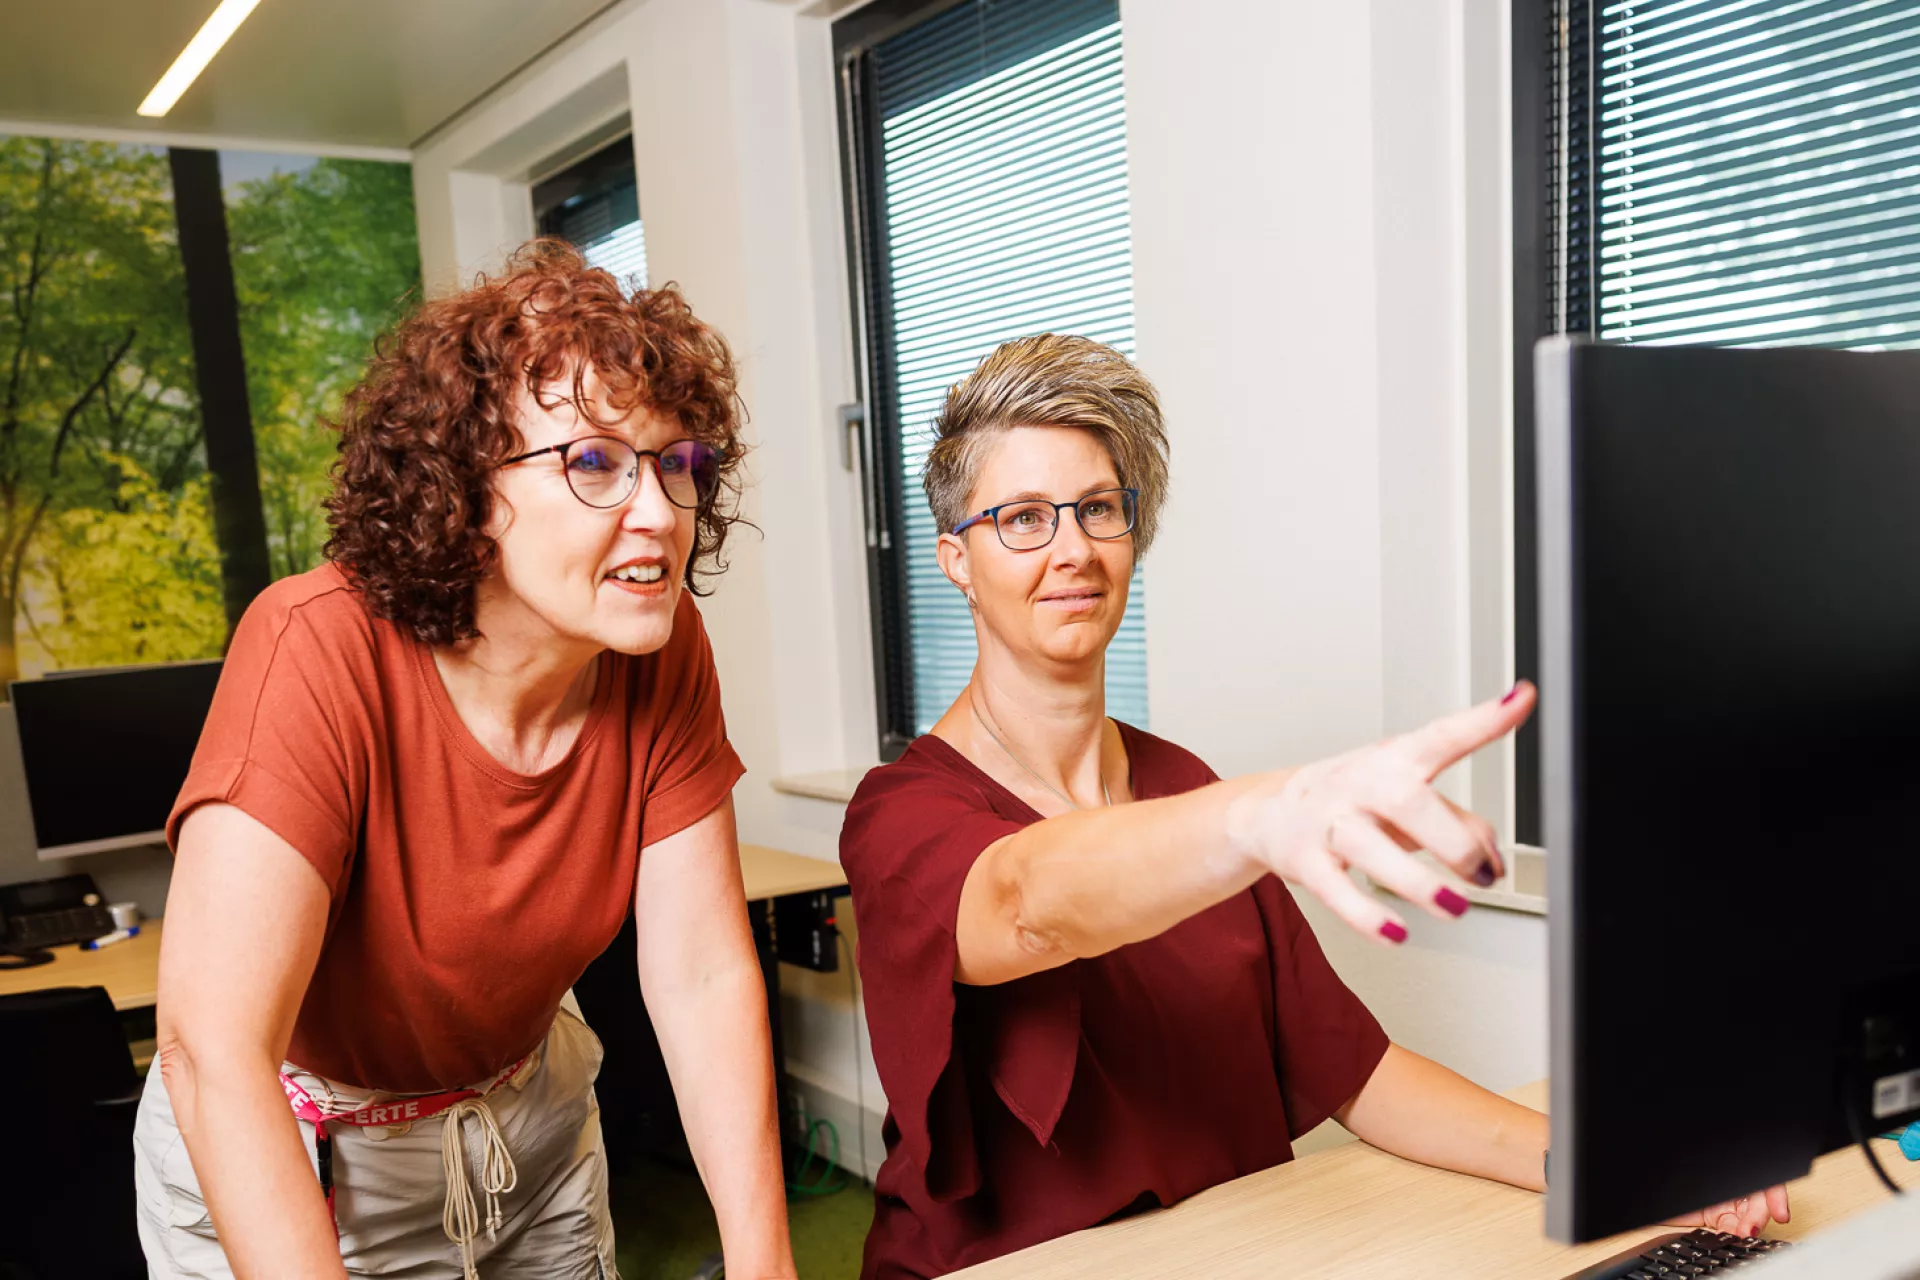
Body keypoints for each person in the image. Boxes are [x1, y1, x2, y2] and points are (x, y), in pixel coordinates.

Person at [840, 335, 1790, 1279]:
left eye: (1098, 509)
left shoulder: (1184, 783)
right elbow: (1024, 902)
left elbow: (1361, 1076)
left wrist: (1614, 1168)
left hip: (1227, 1253)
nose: (1074, 549)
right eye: (1022, 519)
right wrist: (1258, 816)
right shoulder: (902, 814)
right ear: (956, 560)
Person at [136, 241, 796, 1280]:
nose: (662, 513)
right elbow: (213, 1054)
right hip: (292, 1156)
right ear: (460, 484)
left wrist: (767, 1267)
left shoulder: (659, 650)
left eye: (676, 462)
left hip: (521, 1133)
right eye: (592, 461)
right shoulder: (316, 646)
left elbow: (704, 974)